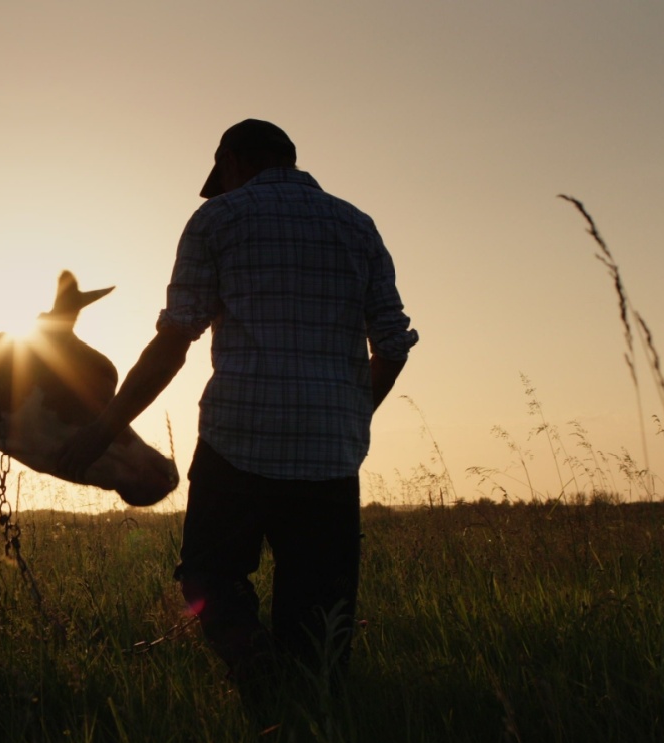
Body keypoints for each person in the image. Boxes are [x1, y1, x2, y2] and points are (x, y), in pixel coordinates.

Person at [55, 118, 417, 686]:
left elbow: (176, 340)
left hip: (237, 444)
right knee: (321, 613)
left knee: (208, 577)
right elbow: (392, 343)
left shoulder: (218, 219)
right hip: (331, 457)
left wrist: (104, 428)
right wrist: (352, 414)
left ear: (235, 163)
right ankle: (308, 728)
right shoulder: (358, 226)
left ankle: (258, 672)